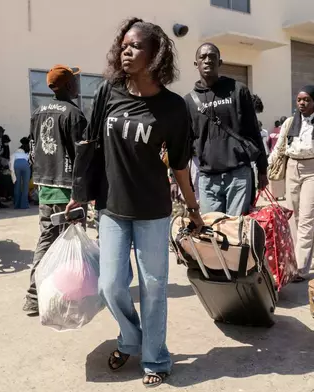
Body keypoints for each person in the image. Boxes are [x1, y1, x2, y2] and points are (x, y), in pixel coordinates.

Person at [66, 18, 203, 387]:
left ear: (155, 54)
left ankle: (155, 359)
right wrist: (79, 195)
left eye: (136, 46)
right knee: (110, 284)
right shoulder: (108, 93)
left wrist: (192, 208)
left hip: (153, 211)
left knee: (154, 287)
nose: (126, 51)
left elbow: (179, 165)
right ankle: (131, 337)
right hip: (111, 206)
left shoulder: (174, 108)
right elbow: (90, 146)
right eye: (123, 45)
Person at [23, 65, 87, 313]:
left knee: (46, 241)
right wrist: (81, 192)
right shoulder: (74, 114)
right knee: (72, 245)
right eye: (76, 81)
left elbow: (32, 149)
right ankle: (70, 295)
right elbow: (81, 157)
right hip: (68, 190)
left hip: (45, 187)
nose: (78, 86)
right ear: (69, 86)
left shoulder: (37, 112)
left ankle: (33, 297)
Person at [185, 42, 268, 216]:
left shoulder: (238, 91)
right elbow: (186, 142)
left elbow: (253, 131)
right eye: (202, 57)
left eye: (212, 57)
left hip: (238, 173)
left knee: (235, 233)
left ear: (220, 62)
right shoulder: (189, 101)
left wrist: (262, 169)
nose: (207, 60)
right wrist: (179, 179)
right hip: (207, 177)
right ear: (196, 64)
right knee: (212, 233)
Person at [268, 85, 314, 282]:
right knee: (293, 219)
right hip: (292, 169)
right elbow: (279, 148)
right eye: (299, 100)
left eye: (307, 100)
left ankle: (299, 268)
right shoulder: (290, 123)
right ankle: (307, 256)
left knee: (307, 218)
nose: (302, 103)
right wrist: (265, 171)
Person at [10, 137, 31, 210]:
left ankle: (16, 205)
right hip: (25, 164)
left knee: (17, 185)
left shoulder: (15, 153)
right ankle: (24, 205)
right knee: (25, 185)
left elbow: (11, 164)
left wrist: (13, 176)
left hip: (16, 164)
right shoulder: (27, 153)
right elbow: (30, 162)